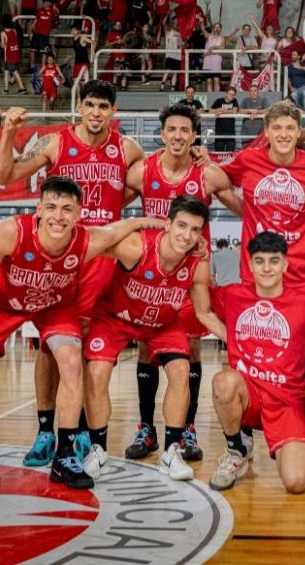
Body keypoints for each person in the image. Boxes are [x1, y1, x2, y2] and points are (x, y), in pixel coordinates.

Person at [0, 175, 164, 494]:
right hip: (3, 303)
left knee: (71, 363)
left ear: (79, 213)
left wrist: (152, 222)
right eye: (51, 207)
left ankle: (64, 455)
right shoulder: (13, 232)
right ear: (38, 210)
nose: (58, 216)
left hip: (53, 306)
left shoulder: (85, 240)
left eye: (67, 209)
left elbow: (119, 229)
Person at [0, 80, 145, 468]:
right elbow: (2, 175)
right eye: (90, 104)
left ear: (113, 111)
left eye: (103, 106)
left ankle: (78, 433)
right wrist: (8, 133)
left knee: (88, 349)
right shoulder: (56, 144)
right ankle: (46, 430)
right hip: (58, 257)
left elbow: (152, 182)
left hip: (100, 259)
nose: (96, 112)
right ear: (79, 107)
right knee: (49, 345)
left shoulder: (127, 149)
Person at [121, 104, 242, 465]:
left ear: (194, 136)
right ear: (162, 134)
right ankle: (146, 429)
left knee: (191, 348)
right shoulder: (142, 172)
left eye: (184, 130)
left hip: (191, 275)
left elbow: (246, 209)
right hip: (151, 275)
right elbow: (109, 204)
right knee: (147, 349)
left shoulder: (207, 174)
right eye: (171, 129)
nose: (177, 136)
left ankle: (187, 430)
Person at [220, 100, 305, 466]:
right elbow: (217, 181)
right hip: (256, 271)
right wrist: (246, 211)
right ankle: (243, 431)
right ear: (266, 132)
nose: (284, 134)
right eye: (277, 128)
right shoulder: (248, 160)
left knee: (302, 352)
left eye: (291, 128)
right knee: (248, 346)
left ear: (298, 132)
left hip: (300, 273)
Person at [81, 196, 213, 483]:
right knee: (96, 371)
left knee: (181, 369)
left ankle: (171, 452)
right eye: (181, 226)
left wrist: (235, 342)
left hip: (162, 322)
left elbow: (204, 313)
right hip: (116, 317)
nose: (187, 235)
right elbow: (93, 239)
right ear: (168, 224)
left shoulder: (198, 262)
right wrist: (138, 221)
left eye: (195, 230)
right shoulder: (135, 247)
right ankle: (98, 449)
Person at [195, 232, 305, 493]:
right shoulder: (234, 295)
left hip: (287, 403)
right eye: (259, 261)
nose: (267, 268)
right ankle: (236, 451)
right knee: (224, 382)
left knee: (296, 483)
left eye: (274, 261)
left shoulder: (304, 303)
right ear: (250, 265)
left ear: (285, 264)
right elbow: (202, 303)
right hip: (249, 395)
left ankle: (294, 443)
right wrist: (201, 258)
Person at [0, 16, 27, 94]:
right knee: (6, 71)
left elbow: (3, 45)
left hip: (9, 55)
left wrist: (1, 43)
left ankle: (22, 88)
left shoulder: (3, 33)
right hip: (16, 53)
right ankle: (6, 89)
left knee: (14, 71)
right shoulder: (14, 30)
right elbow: (16, 40)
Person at [211, 86, 240, 152]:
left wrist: (223, 111)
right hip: (219, 132)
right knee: (218, 153)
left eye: (233, 95)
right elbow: (210, 110)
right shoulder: (219, 101)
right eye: (230, 94)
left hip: (230, 132)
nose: (231, 96)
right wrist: (219, 109)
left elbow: (234, 111)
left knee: (230, 154)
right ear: (226, 93)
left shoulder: (234, 101)